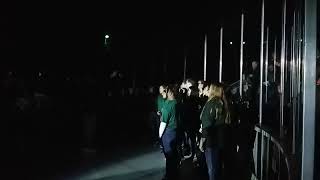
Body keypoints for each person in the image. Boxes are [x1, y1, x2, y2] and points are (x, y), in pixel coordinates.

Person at [199, 83, 226, 180]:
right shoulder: (221, 102)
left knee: (212, 169)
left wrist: (202, 141)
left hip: (211, 139)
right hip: (220, 139)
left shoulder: (211, 103)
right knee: (217, 167)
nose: (208, 89)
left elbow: (207, 124)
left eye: (210, 88)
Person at [159, 85, 180, 180]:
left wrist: (159, 135)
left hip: (168, 132)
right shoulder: (178, 103)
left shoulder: (169, 105)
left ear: (169, 92)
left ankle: (169, 175)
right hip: (176, 131)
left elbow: (164, 122)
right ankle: (175, 173)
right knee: (174, 154)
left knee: (169, 155)